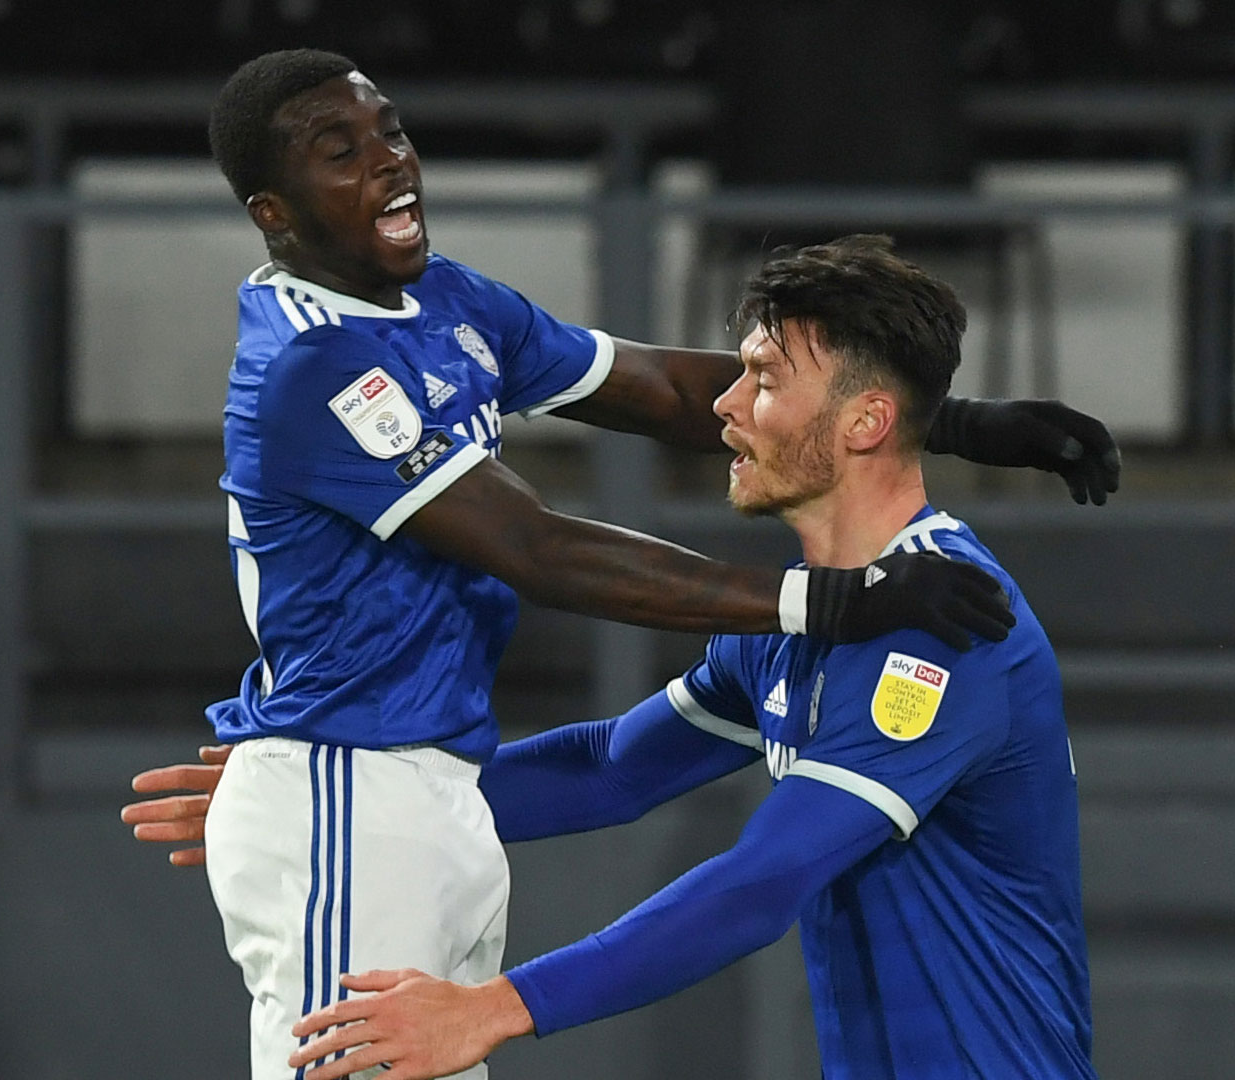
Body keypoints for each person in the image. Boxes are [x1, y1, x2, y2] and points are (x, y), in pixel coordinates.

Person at [158, 46, 1117, 1080]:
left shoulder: (936, 621)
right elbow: (610, 757)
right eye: (340, 149)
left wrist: (503, 999)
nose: (728, 406)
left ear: (867, 420)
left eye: (762, 380)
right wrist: (304, 785)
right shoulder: (823, 623)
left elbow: (756, 884)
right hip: (354, 789)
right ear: (272, 207)